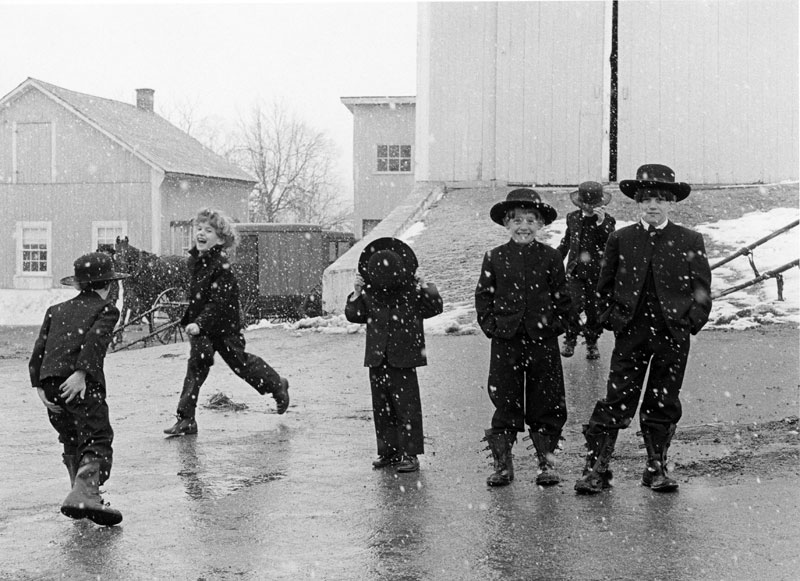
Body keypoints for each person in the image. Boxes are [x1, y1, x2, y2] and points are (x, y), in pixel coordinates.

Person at [574, 164, 712, 495]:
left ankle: (656, 468)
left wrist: (690, 321)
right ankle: (597, 468)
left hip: (672, 334)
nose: (653, 206)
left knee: (663, 400)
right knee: (618, 398)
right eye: (647, 199)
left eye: (660, 199)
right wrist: (612, 318)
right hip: (631, 333)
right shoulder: (621, 239)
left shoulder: (688, 239)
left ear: (671, 204)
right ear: (638, 202)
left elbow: (702, 289)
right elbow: (603, 286)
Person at [163, 208, 290, 436]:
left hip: (224, 327)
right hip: (201, 328)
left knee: (241, 364)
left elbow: (219, 304)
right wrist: (193, 320)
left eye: (208, 230)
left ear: (221, 239)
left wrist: (200, 323)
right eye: (199, 228)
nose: (201, 233)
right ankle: (186, 419)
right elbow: (198, 297)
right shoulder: (195, 262)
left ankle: (276, 384)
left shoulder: (222, 267)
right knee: (196, 368)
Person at [475, 188, 571, 487]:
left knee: (547, 400)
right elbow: (483, 297)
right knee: (505, 399)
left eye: (531, 220)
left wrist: (555, 326)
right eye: (517, 220)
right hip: (506, 340)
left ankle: (546, 462)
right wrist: (492, 326)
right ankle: (503, 464)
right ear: (506, 223)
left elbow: (563, 298)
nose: (523, 226)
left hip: (543, 340)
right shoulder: (495, 257)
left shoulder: (551, 257)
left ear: (540, 224)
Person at [29, 252, 129, 526]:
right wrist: (81, 373)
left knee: (72, 438)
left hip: (50, 386)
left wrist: (40, 386)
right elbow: (95, 342)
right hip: (79, 383)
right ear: (108, 285)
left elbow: (40, 349)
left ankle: (80, 493)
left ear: (77, 285)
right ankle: (86, 494)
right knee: (97, 436)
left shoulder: (56, 310)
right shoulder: (106, 309)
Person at [345, 237, 443, 473]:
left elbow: (435, 307)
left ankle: (410, 454)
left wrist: (425, 284)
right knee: (382, 406)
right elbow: (354, 315)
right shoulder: (370, 293)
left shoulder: (412, 291)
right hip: (378, 358)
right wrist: (356, 292)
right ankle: (388, 451)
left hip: (405, 357)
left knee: (407, 407)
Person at [556, 181, 616, 360]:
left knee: (594, 310)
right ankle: (571, 337)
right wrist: (555, 258)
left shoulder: (607, 221)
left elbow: (611, 245)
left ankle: (592, 341)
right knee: (573, 305)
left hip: (597, 273)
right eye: (588, 205)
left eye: (595, 205)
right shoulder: (572, 218)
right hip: (575, 271)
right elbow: (567, 241)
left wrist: (601, 224)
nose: (591, 208)